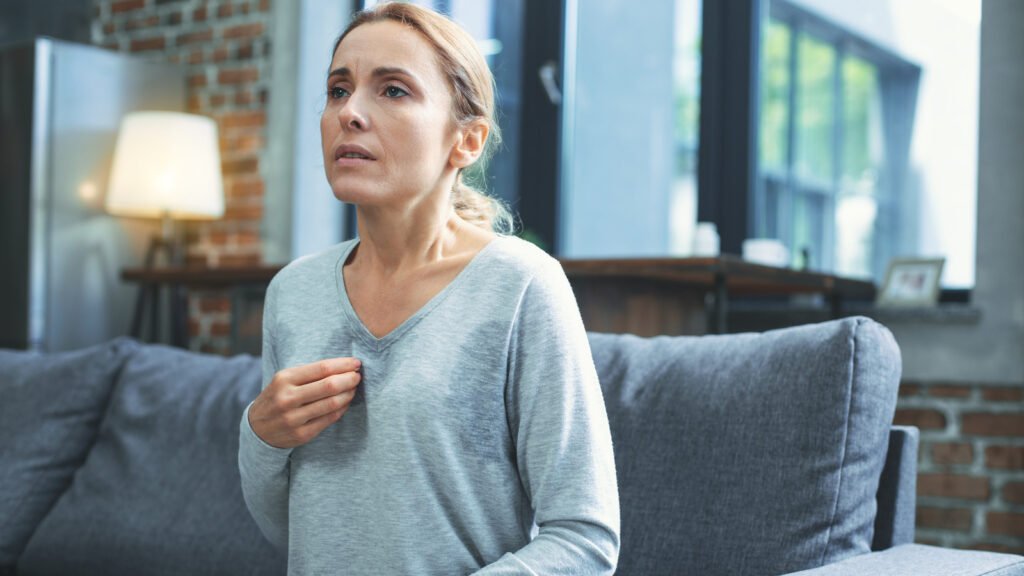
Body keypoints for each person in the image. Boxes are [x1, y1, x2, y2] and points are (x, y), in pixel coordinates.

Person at [237, 3, 620, 574]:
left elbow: (585, 539)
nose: (350, 113)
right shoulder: (293, 293)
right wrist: (261, 435)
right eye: (339, 90)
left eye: (392, 91)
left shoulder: (521, 286)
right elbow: (287, 530)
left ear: (466, 140)